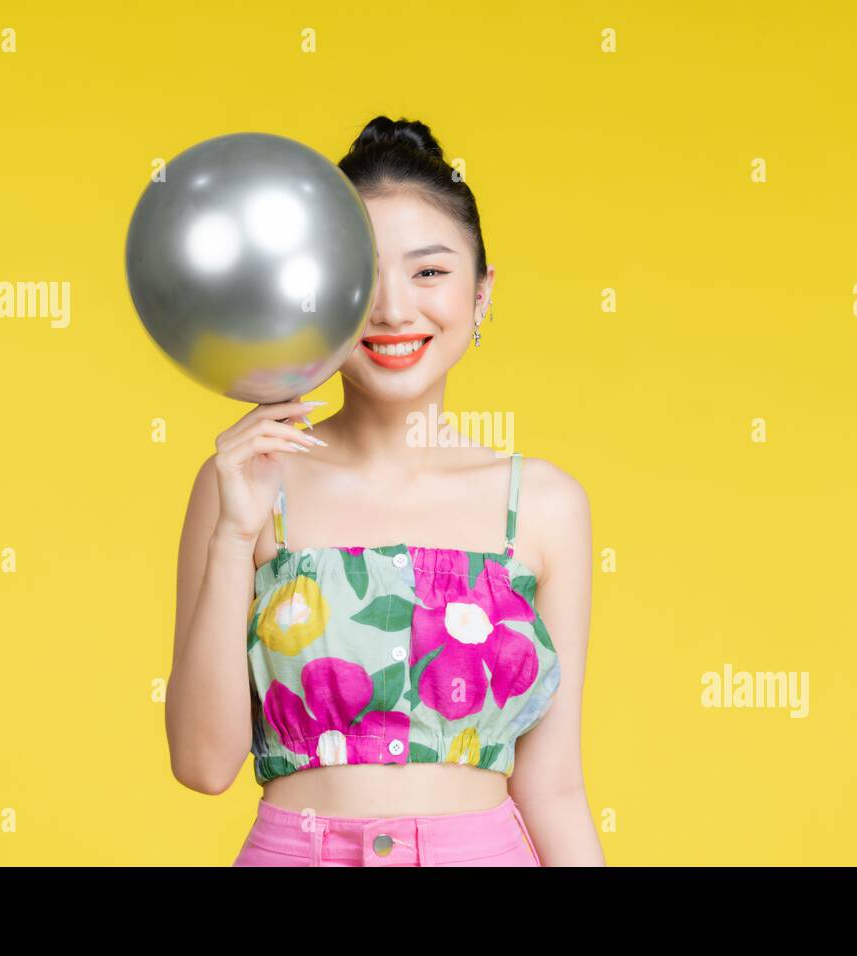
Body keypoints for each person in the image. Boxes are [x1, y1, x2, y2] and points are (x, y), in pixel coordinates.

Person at [166, 116, 602, 867]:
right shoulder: (245, 481)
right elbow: (203, 766)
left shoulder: (543, 506)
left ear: (482, 292)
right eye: (361, 276)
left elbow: (555, 787)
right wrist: (234, 535)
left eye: (429, 272)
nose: (394, 310)